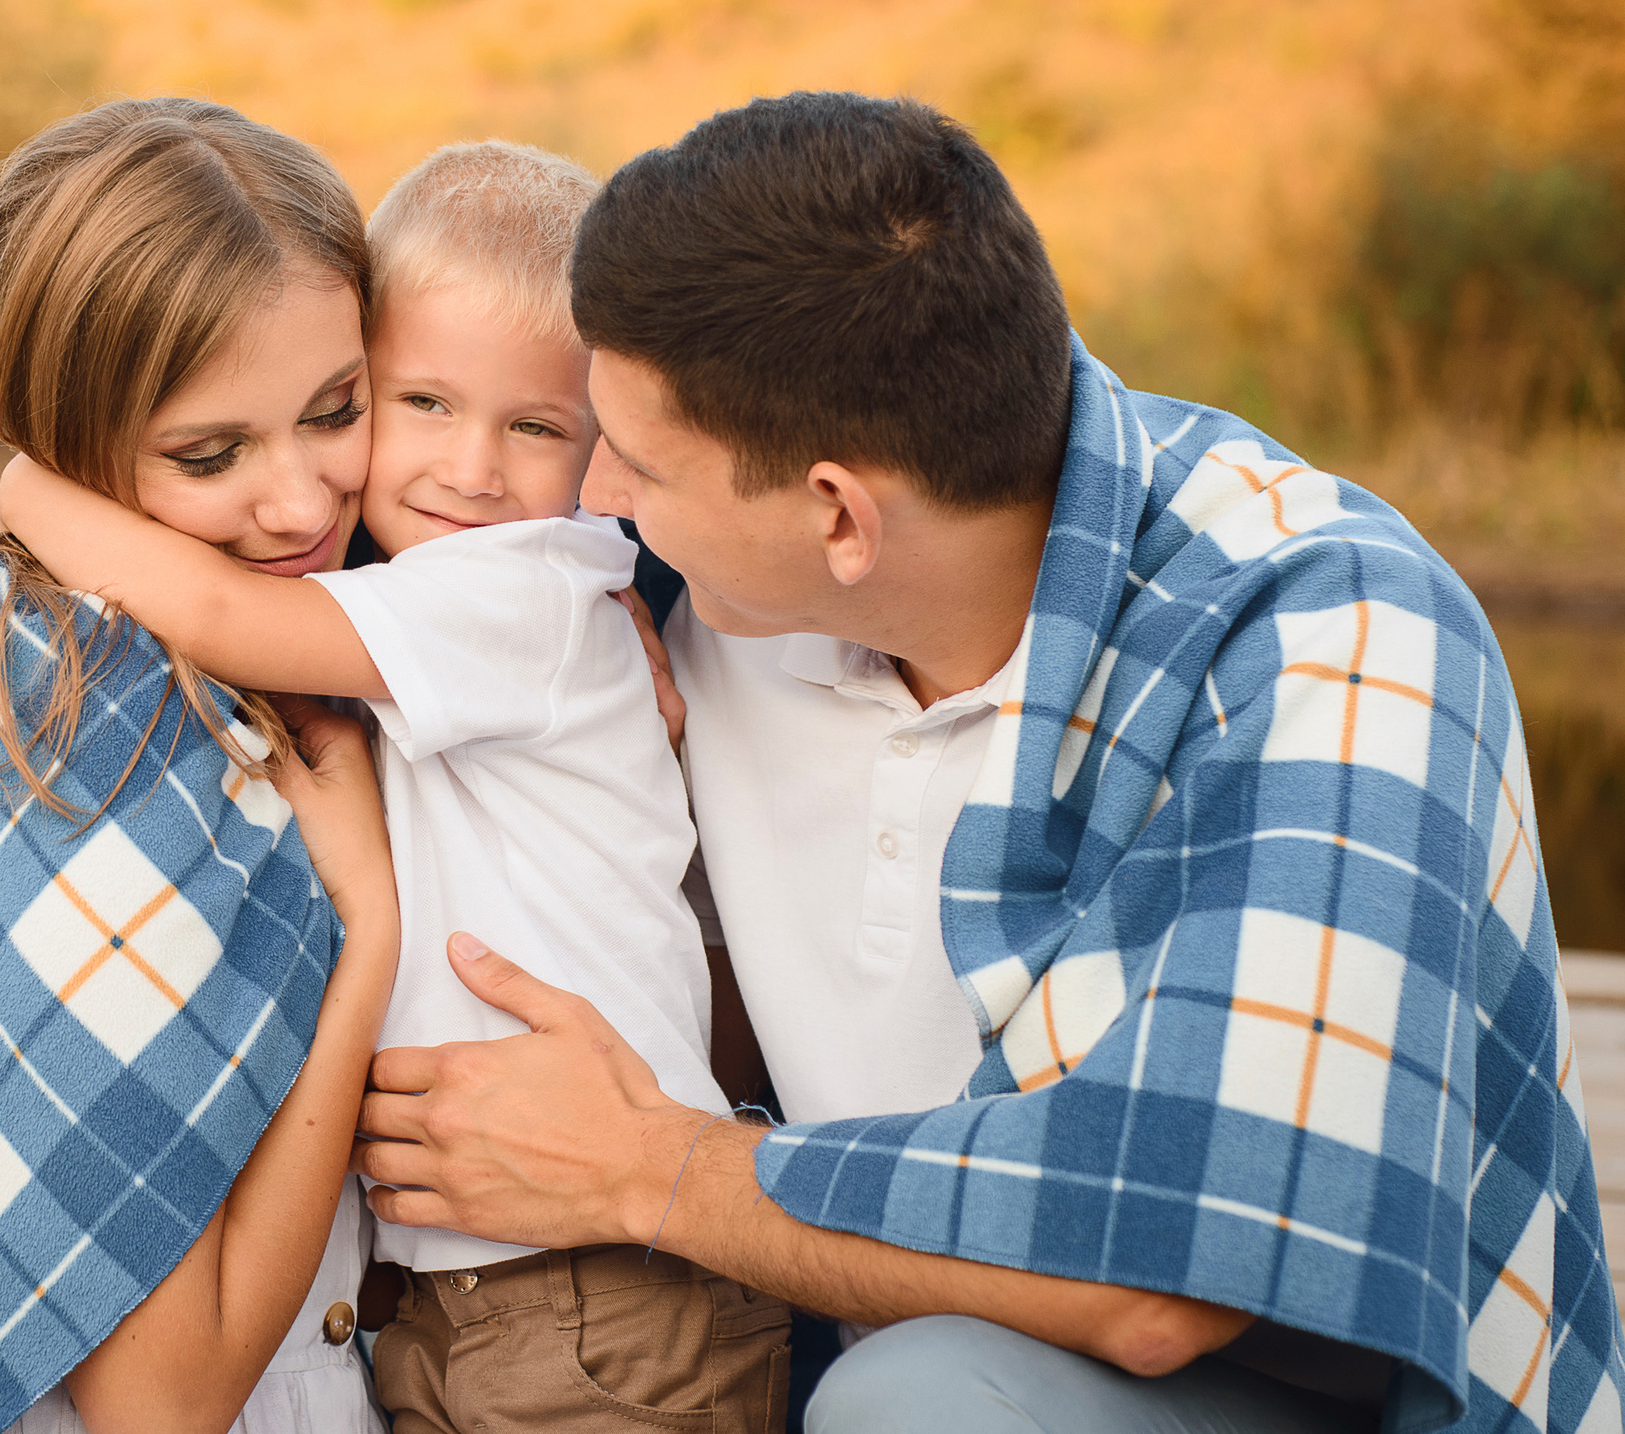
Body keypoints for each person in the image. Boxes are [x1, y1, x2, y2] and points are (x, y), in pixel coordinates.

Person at [353, 92, 1625, 1433]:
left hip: (1270, 1382)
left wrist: (647, 1170)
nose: (592, 497)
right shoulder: (712, 559)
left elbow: (1167, 1284)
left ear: (840, 517)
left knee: (925, 1402)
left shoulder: (1330, 638)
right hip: (828, 1289)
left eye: (640, 465)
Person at [0, 140, 789, 1433]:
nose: (473, 469)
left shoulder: (524, 590)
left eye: (536, 427)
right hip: (455, 1295)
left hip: (596, 1289)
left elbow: (216, 610)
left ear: (605, 447)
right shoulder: (440, 593)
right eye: (416, 404)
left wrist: (26, 475)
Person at [0, 98, 399, 1434]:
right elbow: (164, 1408)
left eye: (335, 411)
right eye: (210, 453)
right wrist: (364, 937)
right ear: (71, 450)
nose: (301, 503)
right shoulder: (90, 742)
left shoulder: (42, 633)